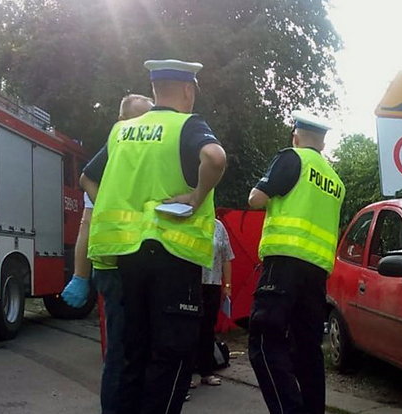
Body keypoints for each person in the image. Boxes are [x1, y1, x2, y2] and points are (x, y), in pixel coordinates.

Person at [81, 59, 227, 414]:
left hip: (125, 258)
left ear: (154, 90)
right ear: (188, 91)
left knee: (131, 354)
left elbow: (88, 177)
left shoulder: (122, 132)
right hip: (172, 258)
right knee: (171, 356)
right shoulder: (186, 125)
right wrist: (196, 196)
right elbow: (215, 157)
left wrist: (109, 208)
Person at [247, 110, 346, 414]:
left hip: (284, 263)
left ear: (296, 136)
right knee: (307, 351)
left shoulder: (292, 158)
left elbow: (256, 199)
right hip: (316, 272)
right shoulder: (335, 181)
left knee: (264, 343)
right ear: (324, 144)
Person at [61, 94, 153, 414]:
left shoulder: (126, 163)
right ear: (122, 125)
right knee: (121, 352)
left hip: (135, 264)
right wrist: (79, 275)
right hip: (116, 266)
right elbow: (86, 222)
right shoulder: (111, 160)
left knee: (135, 350)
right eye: (143, 118)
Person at [189, 218, 234, 391]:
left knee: (208, 328)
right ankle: (186, 374)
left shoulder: (218, 226)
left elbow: (226, 257)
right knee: (190, 329)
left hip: (213, 283)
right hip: (191, 282)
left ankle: (206, 372)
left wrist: (227, 286)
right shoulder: (190, 221)